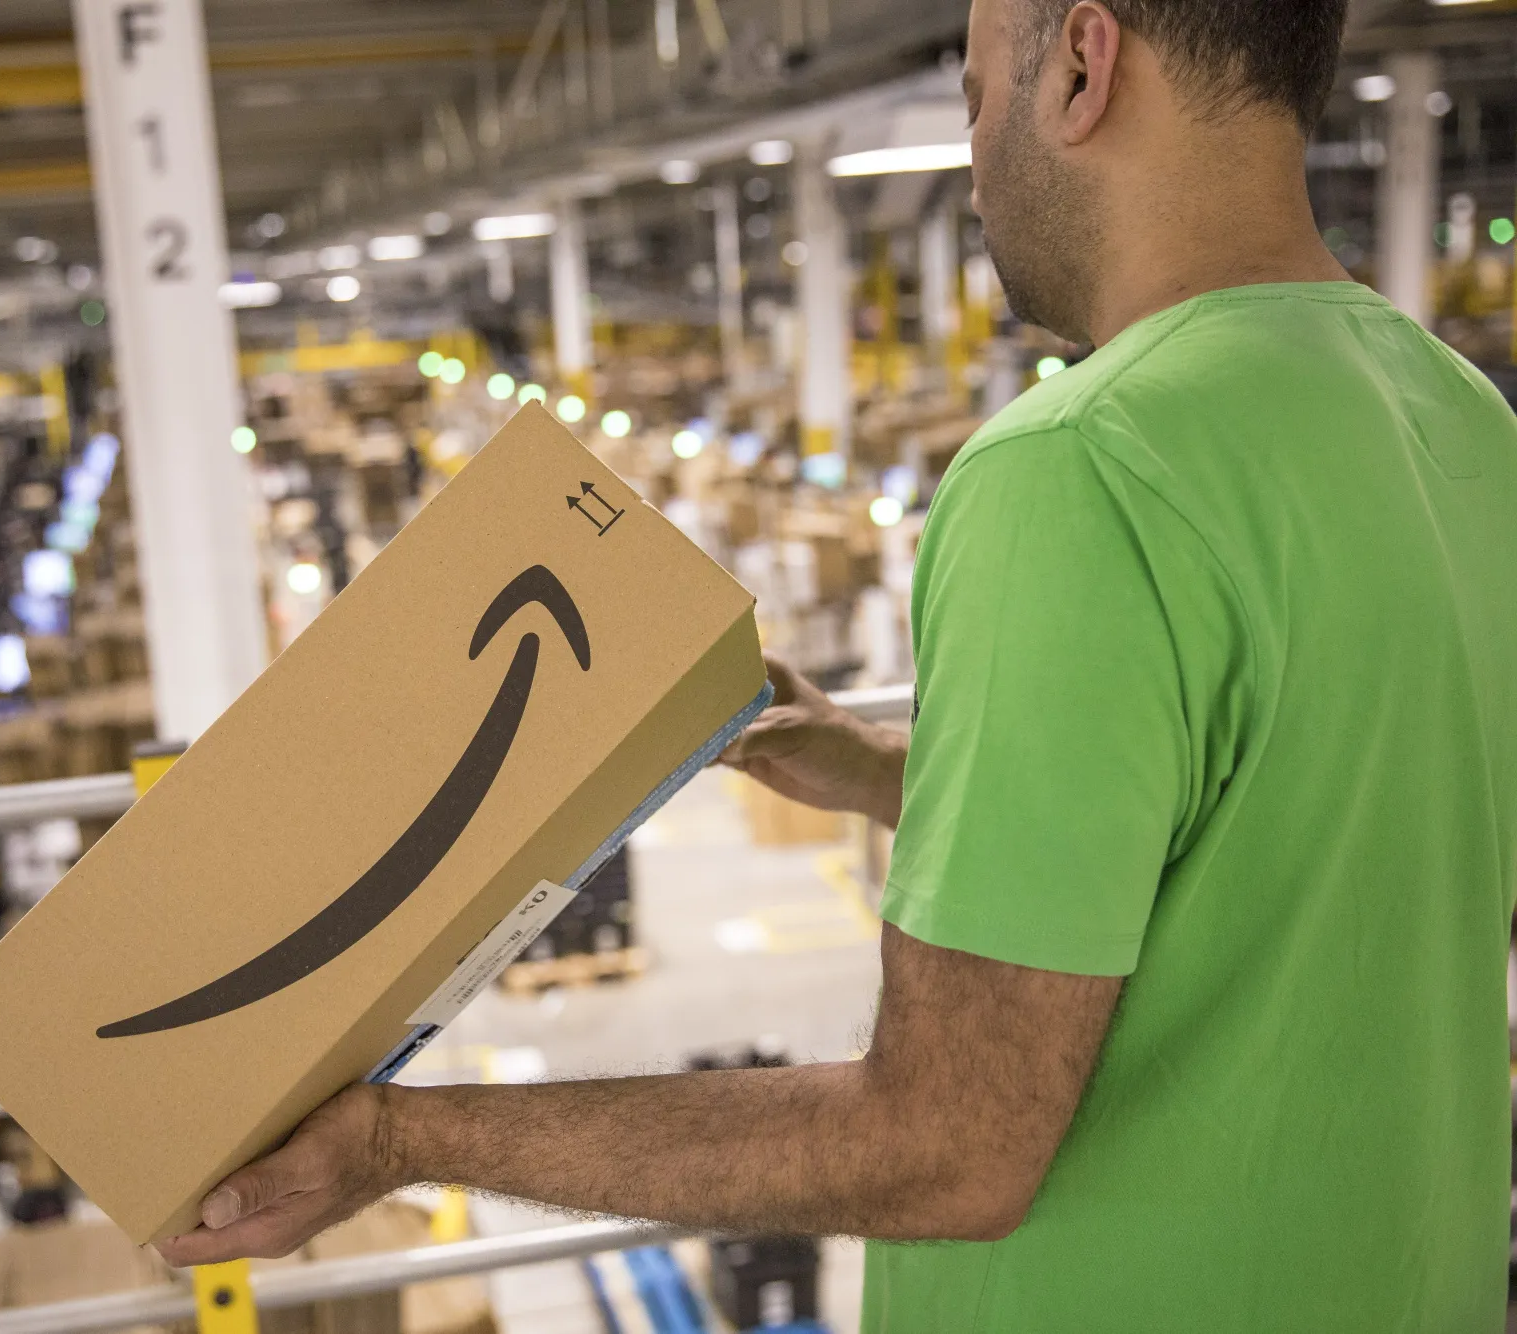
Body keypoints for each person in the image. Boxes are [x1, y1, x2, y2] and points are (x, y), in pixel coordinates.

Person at [159, 0, 1517, 1325]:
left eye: (976, 97)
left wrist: (400, 1138)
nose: (973, 164)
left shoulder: (1079, 467)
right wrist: (879, 769)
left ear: (1082, 64)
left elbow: (944, 1146)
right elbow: (1285, 819)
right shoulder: (1458, 415)